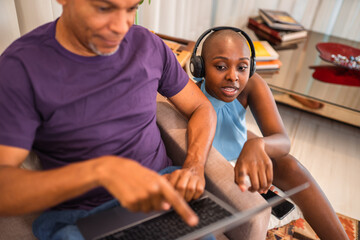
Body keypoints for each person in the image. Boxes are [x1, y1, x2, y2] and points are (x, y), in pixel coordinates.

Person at [0, 0, 221, 239]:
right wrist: (98, 171)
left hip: (160, 192)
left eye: (131, 8)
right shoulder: (20, 68)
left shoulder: (148, 45)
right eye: (104, 8)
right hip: (82, 215)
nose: (121, 27)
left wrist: (194, 166)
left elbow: (201, 106)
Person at [195, 28, 349, 240]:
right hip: (213, 171)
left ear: (251, 67)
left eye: (242, 67)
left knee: (291, 165)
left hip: (244, 158)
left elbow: (283, 141)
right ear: (200, 67)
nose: (233, 76)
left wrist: (258, 145)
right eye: (221, 67)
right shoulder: (190, 94)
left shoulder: (252, 84)